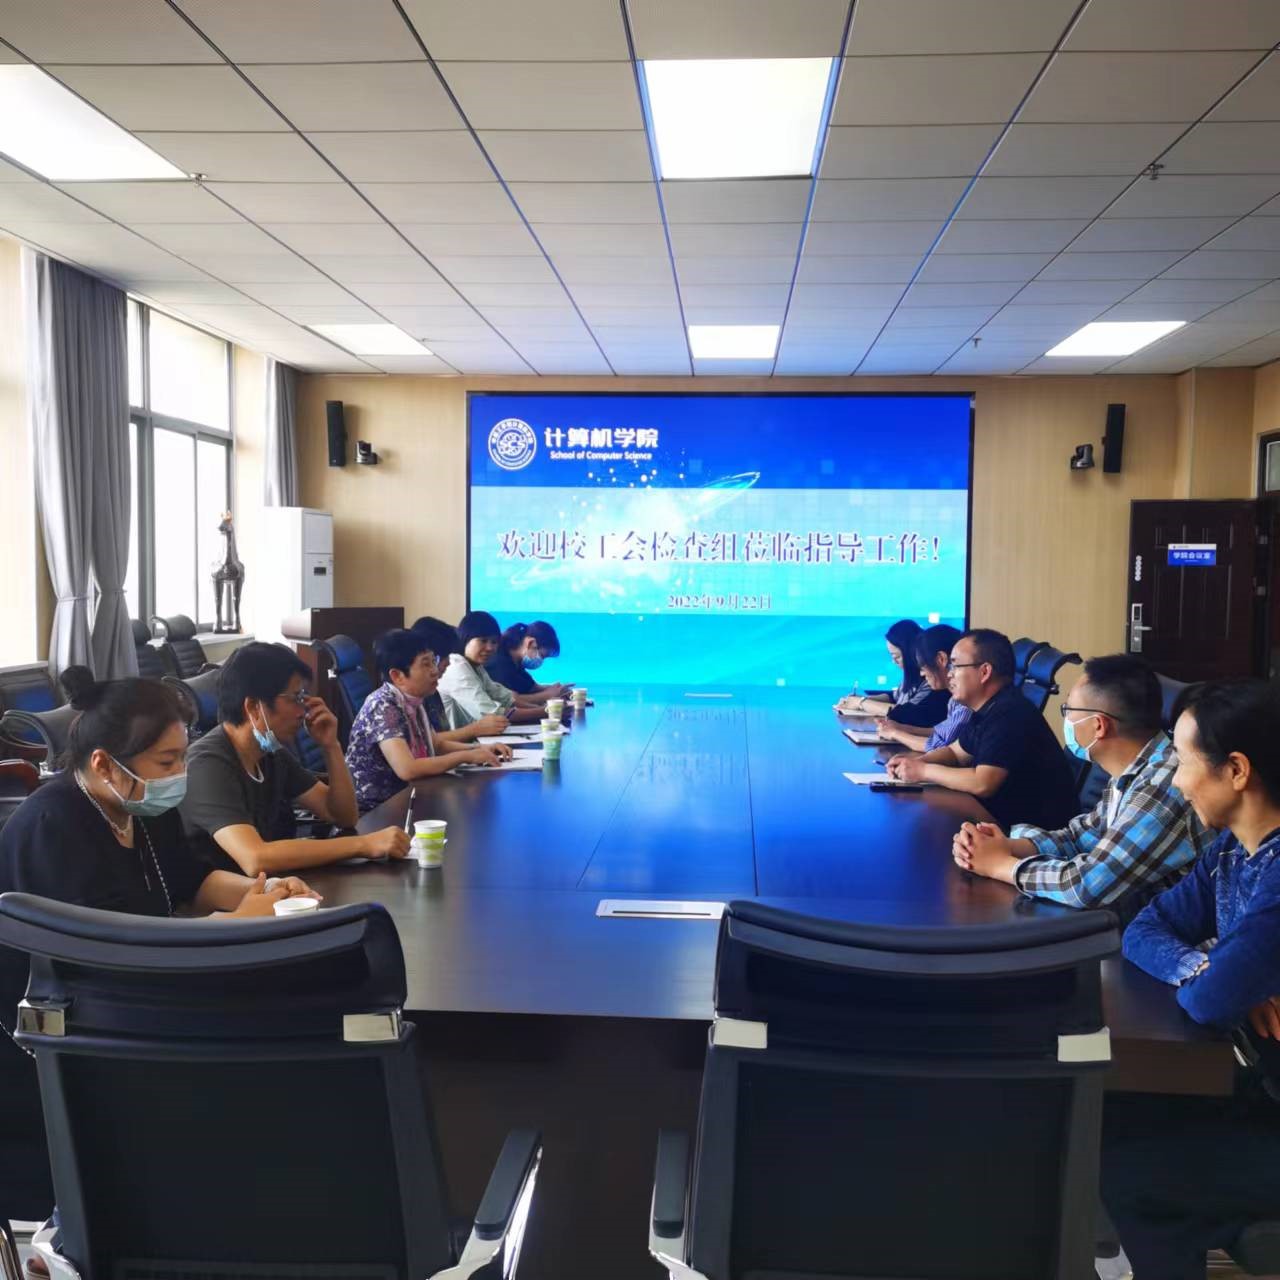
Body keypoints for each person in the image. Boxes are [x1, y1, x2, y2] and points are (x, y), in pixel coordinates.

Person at [0, 668, 318, 1218]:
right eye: (166, 763)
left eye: (182, 759)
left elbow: (190, 880)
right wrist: (234, 924)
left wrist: (261, 891)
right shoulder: (52, 825)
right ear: (104, 764)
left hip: (125, 1004)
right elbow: (110, 956)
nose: (179, 775)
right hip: (46, 1039)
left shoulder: (140, 806)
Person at [1101, 679, 1280, 1280]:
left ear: (1237, 770)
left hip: (1269, 1100)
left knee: (1133, 1175)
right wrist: (1212, 967)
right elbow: (1143, 930)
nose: (1175, 781)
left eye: (1182, 761)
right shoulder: (1231, 851)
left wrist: (1229, 982)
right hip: (1258, 1080)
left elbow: (1210, 1003)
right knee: (1116, 1114)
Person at [951, 654, 1208, 918]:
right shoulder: (1134, 770)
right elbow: (1080, 837)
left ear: (1098, 725)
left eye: (1068, 710)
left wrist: (1000, 866)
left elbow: (1087, 884)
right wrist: (1008, 846)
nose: (1067, 720)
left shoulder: (1162, 785)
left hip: (1150, 931)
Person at [181, 642, 410, 875]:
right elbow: (255, 858)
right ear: (253, 707)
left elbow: (343, 816)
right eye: (295, 698)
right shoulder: (206, 764)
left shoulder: (271, 752)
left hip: (279, 885)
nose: (303, 711)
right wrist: (363, 844)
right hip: (236, 896)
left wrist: (331, 746)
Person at [886, 628, 1078, 831]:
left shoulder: (1010, 713)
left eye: (956, 665)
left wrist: (923, 771)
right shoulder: (986, 708)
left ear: (984, 672)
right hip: (999, 822)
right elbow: (955, 753)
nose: (949, 673)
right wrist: (917, 762)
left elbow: (983, 783)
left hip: (1036, 837)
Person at [346, 628, 515, 811]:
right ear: (398, 676)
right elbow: (407, 769)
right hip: (377, 811)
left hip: (411, 797)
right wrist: (466, 756)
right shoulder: (383, 705)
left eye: (434, 661)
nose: (435, 671)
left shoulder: (413, 700)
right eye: (425, 664)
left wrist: (478, 749)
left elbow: (435, 744)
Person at [436, 610, 549, 727]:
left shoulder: (476, 666)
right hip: (458, 738)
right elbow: (491, 715)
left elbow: (506, 699)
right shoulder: (457, 666)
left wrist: (544, 709)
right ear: (466, 638)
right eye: (483, 641)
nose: (490, 648)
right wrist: (545, 712)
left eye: (494, 642)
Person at [877, 624, 970, 752]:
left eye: (922, 666)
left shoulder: (967, 701)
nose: (921, 673)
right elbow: (941, 732)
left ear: (941, 659)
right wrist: (900, 728)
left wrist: (895, 733)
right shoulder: (954, 700)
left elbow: (941, 745)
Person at [837, 619, 948, 726]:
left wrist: (861, 703)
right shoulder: (911, 676)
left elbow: (908, 714)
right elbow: (894, 697)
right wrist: (859, 700)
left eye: (897, 657)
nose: (894, 661)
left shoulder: (932, 680)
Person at [486, 621, 572, 704]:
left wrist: (558, 689)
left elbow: (533, 688)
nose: (541, 661)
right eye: (542, 656)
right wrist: (547, 695)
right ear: (531, 643)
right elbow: (512, 700)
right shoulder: (498, 663)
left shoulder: (516, 663)